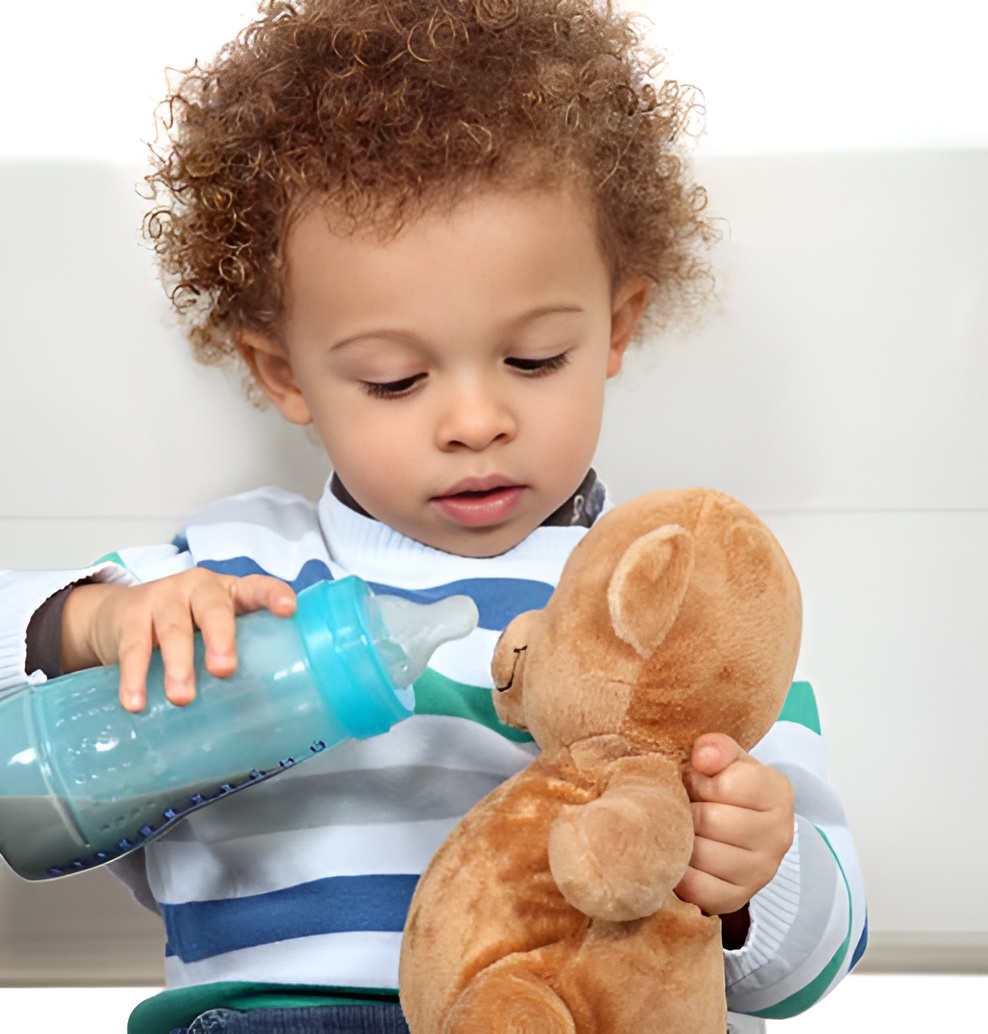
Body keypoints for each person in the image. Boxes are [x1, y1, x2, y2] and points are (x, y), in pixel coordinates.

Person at [0, 1, 867, 1032]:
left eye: (534, 359)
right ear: (285, 373)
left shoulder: (676, 601)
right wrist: (92, 624)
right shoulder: (238, 568)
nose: (474, 419)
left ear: (616, 327)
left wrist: (751, 878)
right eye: (395, 377)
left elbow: (812, 956)